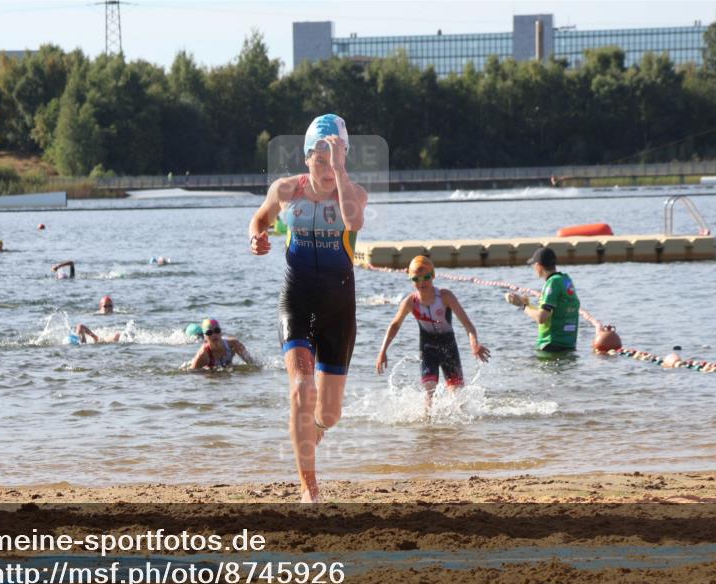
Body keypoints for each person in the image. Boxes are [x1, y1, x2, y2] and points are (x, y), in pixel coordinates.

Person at [248, 113, 368, 503]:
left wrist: (340, 171)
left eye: (336, 158)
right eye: (321, 159)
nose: (328, 168)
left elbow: (353, 221)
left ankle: (312, 433)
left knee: (329, 414)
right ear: (306, 158)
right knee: (301, 387)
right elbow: (260, 219)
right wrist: (256, 237)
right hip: (297, 300)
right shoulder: (286, 191)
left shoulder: (355, 193)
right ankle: (309, 490)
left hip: (339, 309)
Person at [376, 256, 491, 406]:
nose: (421, 282)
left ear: (433, 276)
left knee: (457, 396)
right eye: (416, 279)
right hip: (427, 349)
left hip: (448, 347)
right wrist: (382, 351)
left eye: (426, 277)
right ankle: (427, 420)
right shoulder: (410, 302)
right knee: (429, 393)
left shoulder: (445, 297)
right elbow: (394, 325)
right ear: (410, 278)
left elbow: (467, 324)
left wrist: (474, 343)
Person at [505, 247, 580, 352]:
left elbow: (541, 317)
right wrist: (528, 304)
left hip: (551, 345)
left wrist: (522, 305)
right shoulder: (565, 280)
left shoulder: (552, 283)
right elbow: (554, 312)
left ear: (538, 266)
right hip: (569, 345)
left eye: (533, 266)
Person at [189, 318, 255, 369]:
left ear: (221, 332)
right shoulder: (203, 354)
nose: (214, 335)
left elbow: (253, 363)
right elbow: (191, 371)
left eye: (217, 331)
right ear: (205, 337)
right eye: (209, 333)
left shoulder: (233, 344)